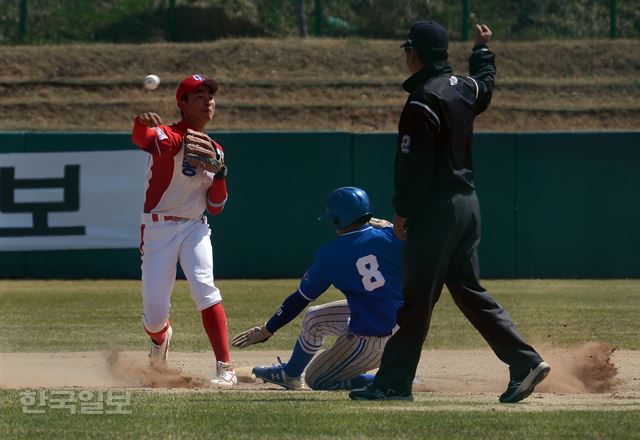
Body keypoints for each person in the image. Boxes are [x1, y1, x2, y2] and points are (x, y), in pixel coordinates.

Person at [349, 21, 550, 403]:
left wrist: (403, 212)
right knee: (469, 291)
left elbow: (415, 166)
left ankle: (392, 382)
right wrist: (482, 52)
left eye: (407, 50)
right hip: (468, 205)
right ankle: (524, 362)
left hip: (437, 209)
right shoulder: (465, 87)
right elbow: (485, 84)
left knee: (416, 300)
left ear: (415, 54)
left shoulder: (423, 98)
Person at [231, 187, 403, 391]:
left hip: (373, 339)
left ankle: (396, 378)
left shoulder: (331, 255)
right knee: (315, 319)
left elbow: (300, 298)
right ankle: (289, 375)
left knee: (317, 380)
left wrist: (269, 328)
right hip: (402, 324)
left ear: (338, 219)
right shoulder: (393, 235)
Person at [130, 74, 236, 387]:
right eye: (199, 96)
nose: (208, 102)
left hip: (194, 228)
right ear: (183, 104)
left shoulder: (215, 149)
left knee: (205, 288)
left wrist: (220, 174)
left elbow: (215, 207)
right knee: (155, 316)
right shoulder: (169, 136)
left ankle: (225, 367)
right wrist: (140, 122)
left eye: (210, 96)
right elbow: (142, 139)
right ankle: (160, 340)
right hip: (158, 230)